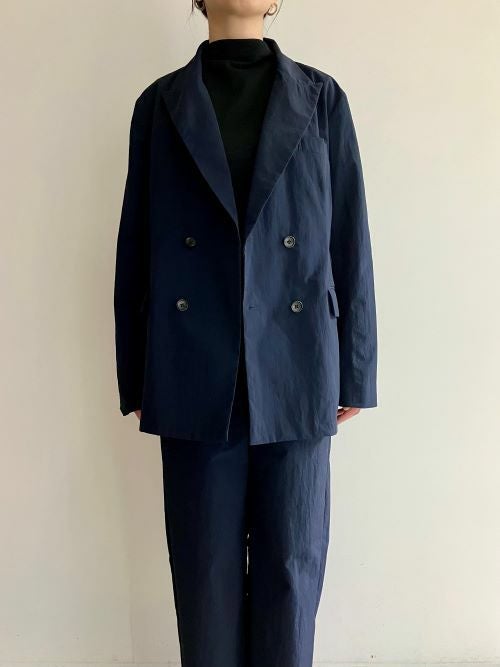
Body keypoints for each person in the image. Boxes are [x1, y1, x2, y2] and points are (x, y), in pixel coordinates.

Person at [113, 1, 378, 665]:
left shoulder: (321, 99)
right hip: (191, 367)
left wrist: (355, 371)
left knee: (292, 572)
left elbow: (349, 239)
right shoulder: (159, 106)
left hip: (297, 366)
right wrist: (137, 373)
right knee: (204, 578)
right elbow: (135, 246)